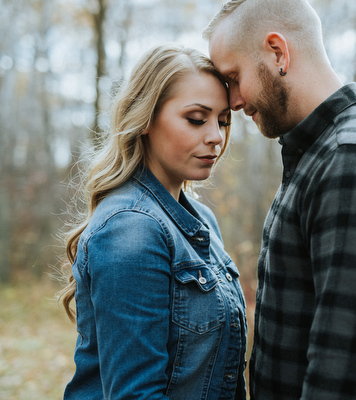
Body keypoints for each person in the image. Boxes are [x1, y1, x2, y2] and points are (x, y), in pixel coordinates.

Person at [203, 1, 356, 399]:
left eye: (233, 77)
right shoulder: (319, 154)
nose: (233, 101)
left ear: (277, 52)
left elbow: (344, 376)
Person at [58, 43, 247, 400]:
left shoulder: (200, 219)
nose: (216, 137)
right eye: (196, 119)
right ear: (145, 119)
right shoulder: (129, 229)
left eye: (222, 121)